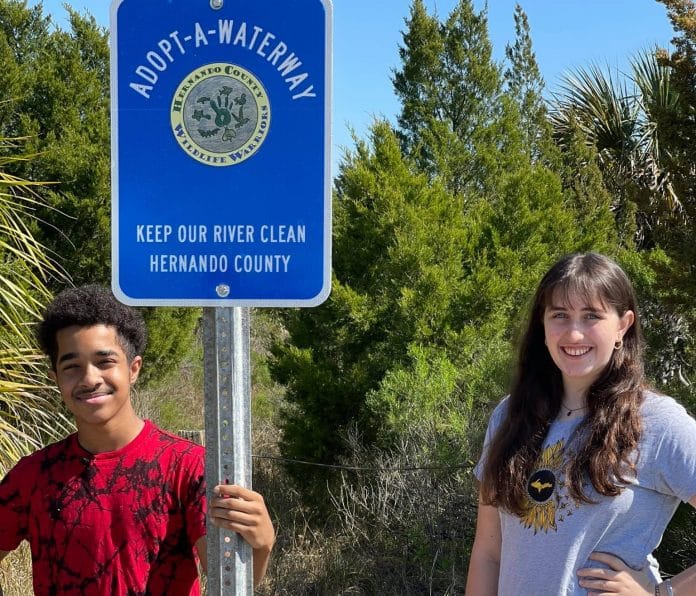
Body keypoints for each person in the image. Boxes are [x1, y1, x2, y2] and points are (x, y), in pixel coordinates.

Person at [0, 285, 275, 595]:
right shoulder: (33, 475)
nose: (90, 379)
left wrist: (261, 544)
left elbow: (227, 579)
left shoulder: (188, 466)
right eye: (72, 367)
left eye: (104, 362)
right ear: (55, 378)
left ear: (133, 369)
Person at [465, 253, 696, 595]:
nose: (573, 333)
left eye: (591, 316)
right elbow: (488, 553)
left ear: (623, 325)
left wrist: (664, 595)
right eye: (559, 315)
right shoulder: (510, 415)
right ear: (542, 326)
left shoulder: (657, 422)